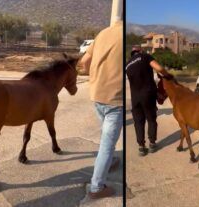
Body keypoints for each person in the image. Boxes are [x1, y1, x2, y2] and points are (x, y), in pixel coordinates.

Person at [79, 19, 123, 199]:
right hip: (114, 100)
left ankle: (111, 161)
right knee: (107, 144)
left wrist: (97, 77)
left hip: (96, 95)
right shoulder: (123, 37)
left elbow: (84, 61)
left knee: (106, 137)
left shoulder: (103, 32)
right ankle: (97, 187)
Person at [126, 46, 173, 156]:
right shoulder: (145, 56)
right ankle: (152, 143)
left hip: (135, 98)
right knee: (151, 119)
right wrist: (167, 75)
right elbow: (159, 68)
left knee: (138, 122)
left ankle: (141, 147)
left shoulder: (127, 65)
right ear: (140, 51)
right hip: (148, 94)